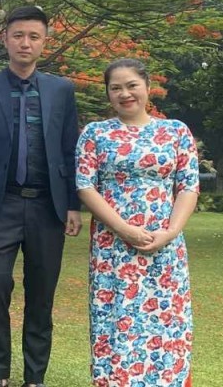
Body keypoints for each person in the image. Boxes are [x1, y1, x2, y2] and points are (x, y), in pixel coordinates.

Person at [0, 6, 82, 387]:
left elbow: (68, 148)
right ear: (6, 39)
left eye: (33, 36)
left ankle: (35, 377)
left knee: (41, 294)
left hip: (48, 206)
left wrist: (73, 204)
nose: (25, 43)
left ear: (44, 42)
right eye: (18, 35)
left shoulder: (61, 89)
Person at [76, 59, 197, 387]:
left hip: (164, 246)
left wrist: (170, 232)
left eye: (131, 85)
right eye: (115, 88)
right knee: (117, 322)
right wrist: (123, 229)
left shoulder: (175, 131)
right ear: (108, 93)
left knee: (166, 322)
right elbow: (85, 186)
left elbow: (188, 186)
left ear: (146, 86)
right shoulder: (95, 133)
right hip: (113, 247)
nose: (124, 94)